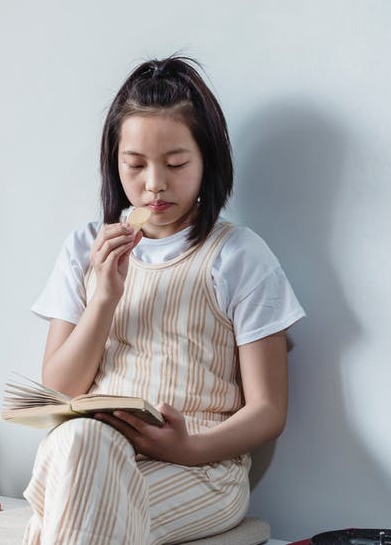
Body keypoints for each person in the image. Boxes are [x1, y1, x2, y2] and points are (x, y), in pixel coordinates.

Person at [24, 56, 304, 544]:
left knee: (81, 510)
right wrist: (104, 297)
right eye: (135, 165)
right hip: (85, 454)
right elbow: (61, 389)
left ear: (207, 161)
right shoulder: (83, 248)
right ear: (114, 162)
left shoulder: (238, 256)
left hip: (202, 471)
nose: (154, 184)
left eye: (175, 164)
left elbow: (268, 409)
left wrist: (189, 448)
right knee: (83, 438)